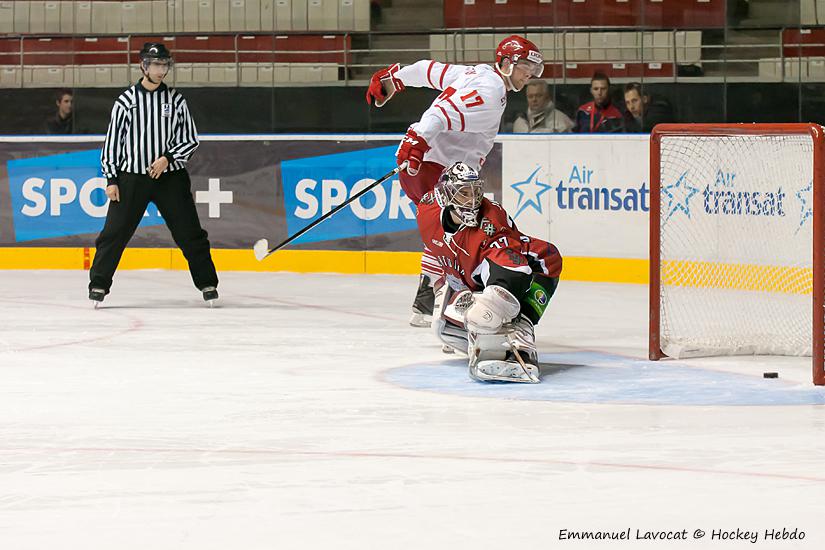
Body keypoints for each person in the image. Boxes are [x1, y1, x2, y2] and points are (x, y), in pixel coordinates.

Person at [365, 35, 545, 327]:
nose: (529, 75)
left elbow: (427, 70)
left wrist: (393, 78)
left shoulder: (476, 73)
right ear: (507, 63)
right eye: (525, 65)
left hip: (429, 166)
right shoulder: (492, 91)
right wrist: (418, 141)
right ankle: (450, 314)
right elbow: (442, 112)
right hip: (436, 169)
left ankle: (426, 305)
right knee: (460, 240)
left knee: (444, 234)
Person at [88, 42, 218, 306]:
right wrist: (111, 178)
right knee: (114, 233)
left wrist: (167, 158)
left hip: (170, 178)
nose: (161, 70)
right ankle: (99, 284)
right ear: (143, 66)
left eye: (164, 65)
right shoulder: (126, 101)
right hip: (132, 178)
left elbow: (190, 140)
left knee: (189, 233)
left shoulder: (176, 100)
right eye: (156, 65)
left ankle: (207, 282)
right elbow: (113, 142)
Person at [413, 162, 562, 383]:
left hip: (487, 272)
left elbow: (515, 266)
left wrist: (496, 303)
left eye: (475, 191)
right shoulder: (427, 212)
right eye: (463, 192)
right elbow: (437, 247)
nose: (472, 200)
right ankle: (466, 319)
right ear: (445, 196)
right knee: (465, 317)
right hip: (461, 281)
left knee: (548, 258)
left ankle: (521, 323)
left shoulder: (491, 221)